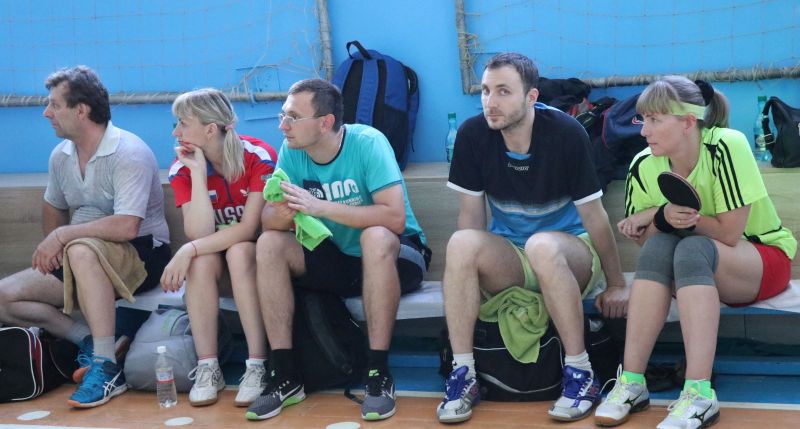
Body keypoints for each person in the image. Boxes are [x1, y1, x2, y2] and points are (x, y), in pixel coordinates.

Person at [436, 52, 628, 424]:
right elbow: (471, 220)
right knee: (461, 242)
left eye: (503, 91)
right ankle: (464, 373)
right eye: (486, 91)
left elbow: (595, 218)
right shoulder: (473, 135)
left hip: (570, 253)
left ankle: (581, 373)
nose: (491, 102)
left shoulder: (566, 133)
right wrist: (467, 277)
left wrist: (616, 283)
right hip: (512, 256)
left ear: (531, 97)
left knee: (542, 245)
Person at [594, 76, 797, 428]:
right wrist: (661, 216)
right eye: (643, 120)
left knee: (691, 248)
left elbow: (730, 234)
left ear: (688, 122)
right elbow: (649, 245)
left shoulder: (727, 145)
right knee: (666, 245)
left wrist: (675, 217)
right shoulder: (642, 164)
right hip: (692, 265)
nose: (643, 131)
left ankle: (699, 394)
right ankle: (631, 382)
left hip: (761, 259)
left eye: (654, 120)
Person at [246, 78, 430, 422]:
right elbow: (268, 222)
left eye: (293, 117)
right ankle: (284, 374)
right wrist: (279, 214)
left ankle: (378, 374)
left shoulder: (367, 143)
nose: (283, 125)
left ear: (325, 122)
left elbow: (394, 218)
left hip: (398, 256)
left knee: (374, 237)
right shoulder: (291, 150)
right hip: (338, 259)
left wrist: (320, 207)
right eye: (283, 116)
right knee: (269, 244)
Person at [0, 66, 171, 408]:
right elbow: (54, 205)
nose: (46, 113)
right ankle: (88, 341)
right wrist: (55, 245)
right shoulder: (61, 155)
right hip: (82, 254)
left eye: (54, 105)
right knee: (4, 297)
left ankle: (107, 367)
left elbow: (127, 226)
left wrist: (63, 236)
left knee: (79, 248)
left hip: (141, 255)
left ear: (81, 110)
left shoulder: (128, 152)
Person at [160, 88, 277, 407]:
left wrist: (187, 249)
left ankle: (257, 364)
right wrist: (199, 174)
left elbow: (249, 229)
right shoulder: (182, 168)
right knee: (200, 262)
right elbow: (198, 232)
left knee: (238, 251)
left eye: (183, 123)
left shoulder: (258, 156)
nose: (176, 132)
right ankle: (208, 366)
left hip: (259, 262)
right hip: (216, 266)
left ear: (210, 129)